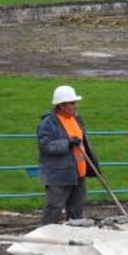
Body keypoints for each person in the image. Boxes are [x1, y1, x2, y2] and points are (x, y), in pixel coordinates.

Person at [37, 85, 98, 225]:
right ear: (61, 105)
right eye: (72, 103)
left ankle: (75, 235)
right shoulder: (48, 123)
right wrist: (67, 143)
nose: (75, 106)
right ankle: (43, 236)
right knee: (54, 208)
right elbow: (45, 145)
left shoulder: (77, 120)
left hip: (78, 172)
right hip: (59, 174)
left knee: (76, 209)